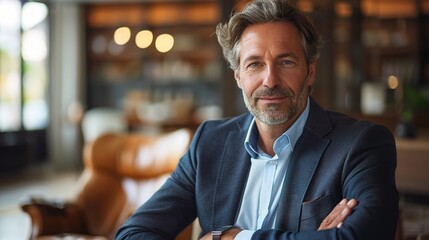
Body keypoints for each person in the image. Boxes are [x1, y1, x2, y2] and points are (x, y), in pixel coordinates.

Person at [115, 0, 398, 239]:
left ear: (310, 72)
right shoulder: (209, 142)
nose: (270, 80)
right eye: (254, 64)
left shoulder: (361, 144)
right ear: (238, 76)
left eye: (286, 62)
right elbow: (133, 232)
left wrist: (233, 237)